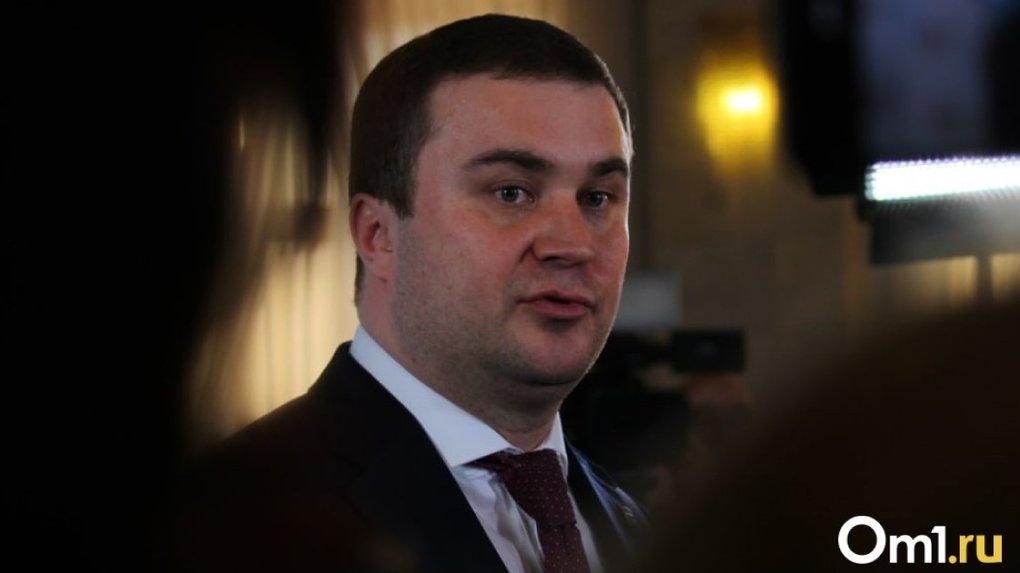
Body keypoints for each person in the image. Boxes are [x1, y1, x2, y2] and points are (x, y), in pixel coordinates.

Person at [164, 13, 647, 573]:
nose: (573, 245)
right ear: (378, 235)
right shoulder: (233, 527)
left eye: (597, 198)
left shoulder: (634, 523)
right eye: (511, 192)